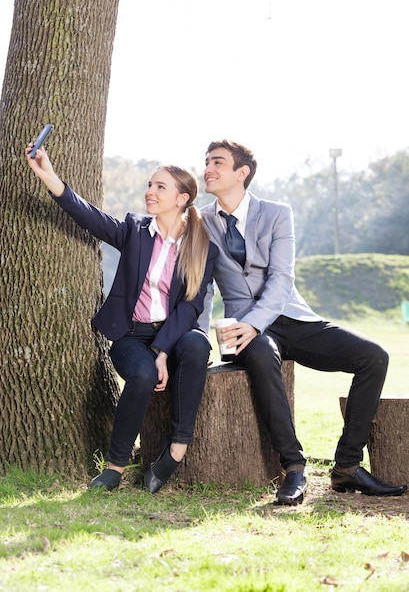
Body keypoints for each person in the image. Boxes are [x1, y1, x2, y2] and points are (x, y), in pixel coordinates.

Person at [200, 138, 407, 505]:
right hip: (241, 326)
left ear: (242, 173)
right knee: (261, 351)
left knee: (374, 356)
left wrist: (256, 322)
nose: (208, 169)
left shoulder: (278, 213)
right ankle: (294, 467)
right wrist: (202, 339)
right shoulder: (200, 222)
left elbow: (282, 278)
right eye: (207, 162)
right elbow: (198, 285)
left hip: (291, 316)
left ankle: (347, 467)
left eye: (217, 162)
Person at [26, 143, 218, 493]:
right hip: (130, 335)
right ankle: (115, 467)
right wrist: (49, 176)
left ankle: (177, 448)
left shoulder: (202, 247)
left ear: (182, 198)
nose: (150, 192)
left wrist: (162, 351)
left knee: (196, 342)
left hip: (174, 335)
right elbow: (89, 216)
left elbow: (191, 307)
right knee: (142, 375)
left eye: (160, 187)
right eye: (149, 184)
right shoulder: (134, 229)